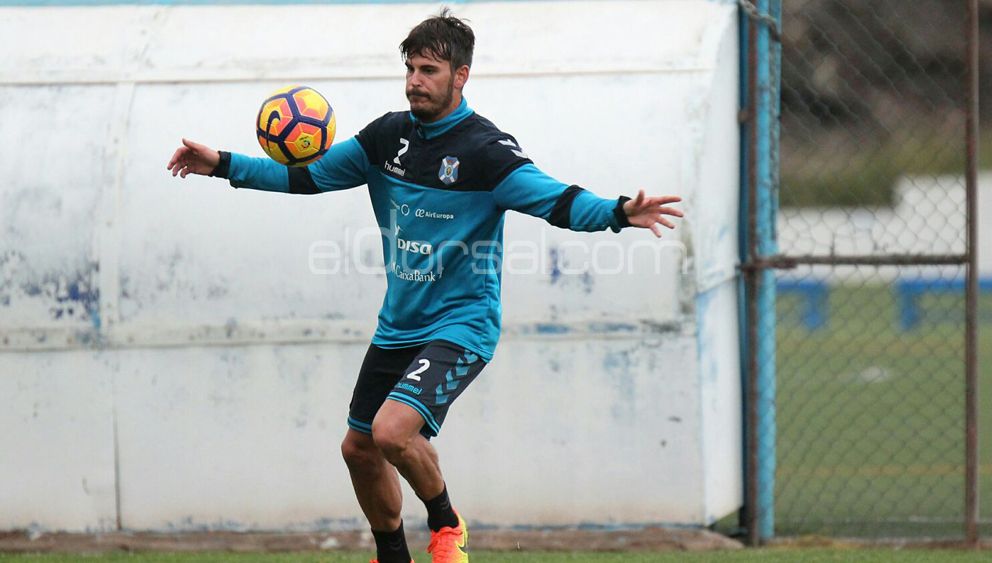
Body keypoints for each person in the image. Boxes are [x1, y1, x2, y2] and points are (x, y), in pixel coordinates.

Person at [167, 9, 682, 563]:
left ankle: (447, 524)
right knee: (359, 449)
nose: (415, 80)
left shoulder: (486, 152)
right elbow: (305, 178)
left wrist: (619, 212)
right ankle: (393, 554)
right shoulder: (387, 136)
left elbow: (555, 199)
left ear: (461, 76)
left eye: (429, 70)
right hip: (400, 325)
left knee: (392, 432)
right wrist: (219, 163)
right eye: (411, 68)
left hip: (462, 326)